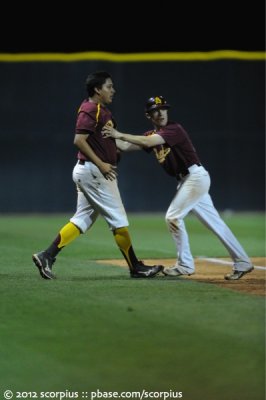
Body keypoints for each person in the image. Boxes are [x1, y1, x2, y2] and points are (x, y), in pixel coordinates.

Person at [102, 95, 254, 280]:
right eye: (155, 111)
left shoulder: (174, 129)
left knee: (173, 217)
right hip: (186, 180)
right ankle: (243, 262)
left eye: (163, 109)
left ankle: (184, 265)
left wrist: (118, 133)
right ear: (148, 115)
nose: (160, 113)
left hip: (195, 177)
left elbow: (147, 142)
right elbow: (125, 146)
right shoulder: (152, 134)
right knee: (216, 224)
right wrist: (102, 137)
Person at [32, 72, 163, 279]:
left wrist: (146, 142)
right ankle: (135, 267)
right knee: (119, 221)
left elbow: (118, 144)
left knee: (82, 218)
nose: (113, 90)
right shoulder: (92, 109)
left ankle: (47, 255)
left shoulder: (101, 111)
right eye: (109, 86)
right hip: (95, 172)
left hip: (89, 171)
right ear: (97, 90)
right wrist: (101, 163)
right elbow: (78, 140)